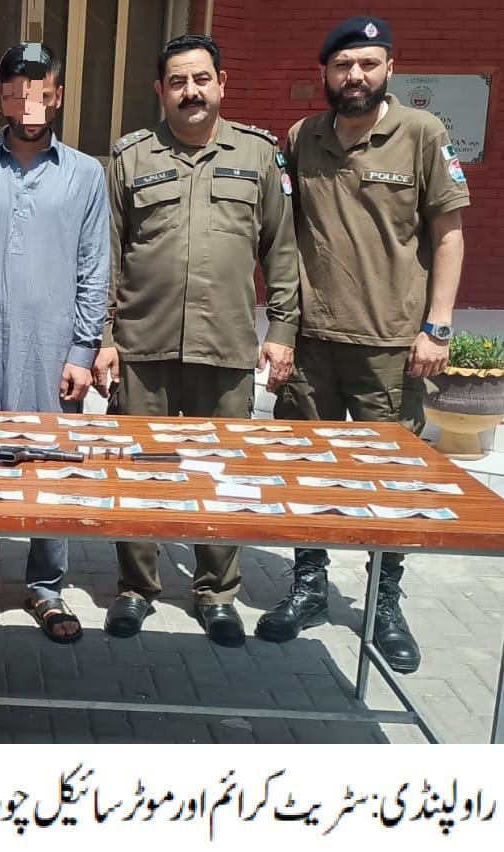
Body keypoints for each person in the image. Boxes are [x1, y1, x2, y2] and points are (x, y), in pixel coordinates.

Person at [258, 16, 470, 673]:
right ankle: (309, 585)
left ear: (389, 69)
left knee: (391, 477)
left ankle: (384, 601)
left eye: (368, 64)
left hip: (391, 343)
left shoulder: (422, 133)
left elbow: (449, 234)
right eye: (344, 64)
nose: (355, 76)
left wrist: (437, 326)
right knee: (305, 470)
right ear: (325, 72)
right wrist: (280, 331)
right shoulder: (303, 137)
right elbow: (285, 235)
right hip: (312, 341)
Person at [92, 33, 301, 648]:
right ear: (160, 90)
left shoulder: (259, 155)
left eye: (201, 79)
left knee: (221, 473)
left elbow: (281, 250)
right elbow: (106, 255)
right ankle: (136, 588)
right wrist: (104, 336)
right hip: (143, 346)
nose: (191, 92)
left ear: (221, 84)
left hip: (226, 346)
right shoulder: (131, 158)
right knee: (139, 473)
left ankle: (216, 593)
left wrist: (281, 330)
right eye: (178, 82)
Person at [0, 42, 108, 644]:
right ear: (3, 98)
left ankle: (46, 586)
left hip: (51, 347)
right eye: (18, 94)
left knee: (51, 462)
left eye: (42, 92)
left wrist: (83, 351)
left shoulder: (85, 174)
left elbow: (94, 267)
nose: (31, 105)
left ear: (58, 96)